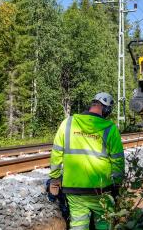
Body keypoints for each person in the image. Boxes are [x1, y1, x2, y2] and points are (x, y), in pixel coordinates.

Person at [49, 92, 125, 230]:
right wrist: (117, 184)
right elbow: (118, 161)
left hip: (74, 188)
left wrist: (55, 179)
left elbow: (56, 154)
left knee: (78, 224)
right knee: (104, 223)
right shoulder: (110, 128)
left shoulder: (68, 123)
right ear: (106, 109)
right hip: (101, 190)